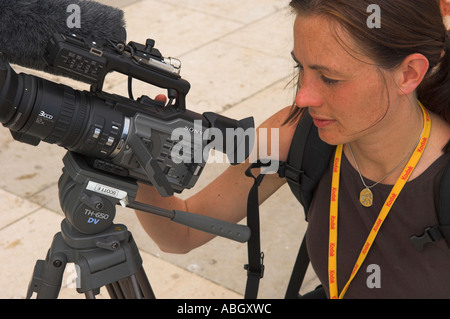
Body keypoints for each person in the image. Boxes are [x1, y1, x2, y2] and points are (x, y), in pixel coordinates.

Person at [135, 0, 450, 298]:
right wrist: (138, 160)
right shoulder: (292, 134)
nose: (302, 97)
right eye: (300, 67)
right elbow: (181, 233)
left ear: (409, 74)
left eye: (329, 78)